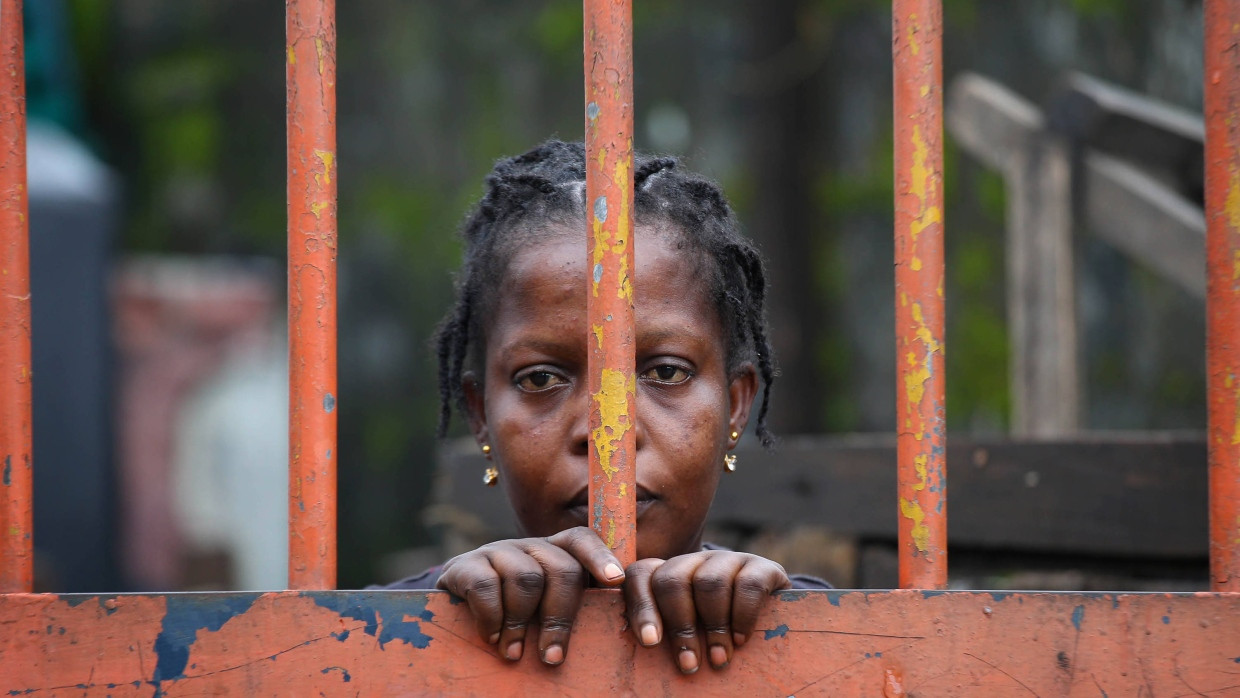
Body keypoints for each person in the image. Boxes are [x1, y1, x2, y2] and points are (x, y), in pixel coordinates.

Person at [381, 140, 828, 674]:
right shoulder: (373, 634)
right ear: (480, 415)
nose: (605, 433)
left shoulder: (825, 628)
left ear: (735, 406)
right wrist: (440, 610)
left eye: (666, 372)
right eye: (541, 378)